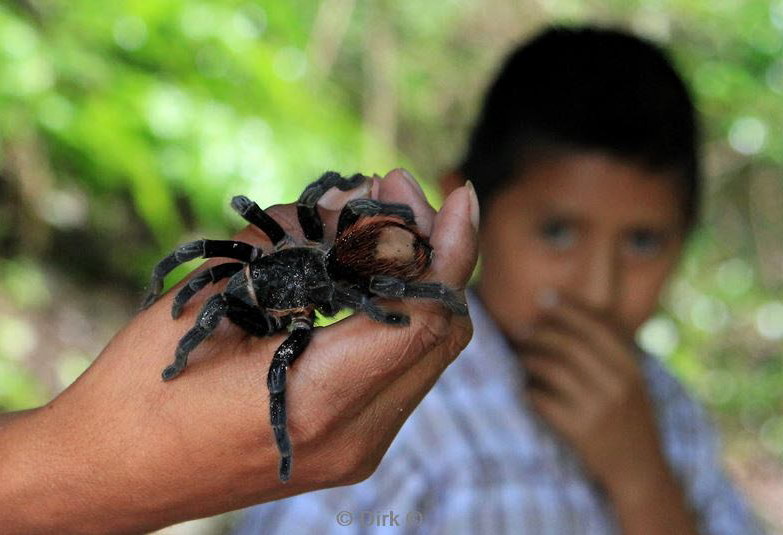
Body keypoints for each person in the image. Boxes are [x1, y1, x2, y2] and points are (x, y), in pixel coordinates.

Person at [236, 26, 764, 534]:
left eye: (643, 242)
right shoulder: (386, 410)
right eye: (557, 232)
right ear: (465, 215)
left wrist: (643, 480)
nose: (598, 290)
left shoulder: (672, 418)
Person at [0, 169, 479, 534]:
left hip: (354, 267)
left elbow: (299, 307)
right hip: (353, 253)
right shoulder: (306, 240)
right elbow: (281, 213)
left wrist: (381, 311)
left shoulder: (310, 282)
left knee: (264, 347)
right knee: (216, 274)